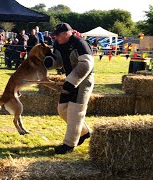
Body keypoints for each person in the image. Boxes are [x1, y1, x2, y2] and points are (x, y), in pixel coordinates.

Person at [43, 23, 94, 154]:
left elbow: (86, 64)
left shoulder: (80, 43)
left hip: (83, 80)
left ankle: (69, 144)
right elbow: (59, 60)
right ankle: (84, 132)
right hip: (70, 80)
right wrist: (50, 62)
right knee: (63, 109)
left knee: (75, 112)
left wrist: (72, 81)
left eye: (58, 35)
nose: (56, 38)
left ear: (67, 34)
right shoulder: (58, 44)